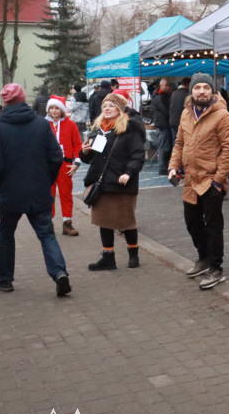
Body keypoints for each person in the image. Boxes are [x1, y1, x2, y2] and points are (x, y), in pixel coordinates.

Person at [0, 83, 71, 297]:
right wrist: (46, 180)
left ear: (5, 101)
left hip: (10, 192)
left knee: (6, 235)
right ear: (23, 99)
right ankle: (59, 273)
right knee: (47, 235)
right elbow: (56, 157)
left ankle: (4, 279)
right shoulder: (41, 124)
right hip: (39, 189)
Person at [168, 73, 229, 290]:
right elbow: (179, 143)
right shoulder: (186, 114)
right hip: (191, 180)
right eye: (198, 88)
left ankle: (216, 268)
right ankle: (203, 258)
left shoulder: (222, 115)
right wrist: (173, 166)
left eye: (206, 87)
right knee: (192, 223)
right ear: (192, 91)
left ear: (213, 91)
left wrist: (219, 180)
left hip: (211, 181)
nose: (202, 91)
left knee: (213, 227)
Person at [79, 91, 146, 270]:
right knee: (104, 221)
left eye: (111, 106)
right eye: (104, 106)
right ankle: (108, 257)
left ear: (119, 109)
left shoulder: (130, 128)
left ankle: (133, 254)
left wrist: (128, 173)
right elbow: (92, 158)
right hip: (101, 183)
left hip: (122, 182)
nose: (107, 108)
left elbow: (138, 155)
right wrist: (84, 152)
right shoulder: (98, 128)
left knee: (127, 221)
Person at [44, 95, 83, 237]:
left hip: (65, 164)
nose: (54, 111)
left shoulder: (71, 125)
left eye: (57, 108)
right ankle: (48, 222)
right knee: (48, 195)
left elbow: (77, 145)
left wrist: (76, 163)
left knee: (66, 194)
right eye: (51, 108)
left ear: (62, 110)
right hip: (48, 165)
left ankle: (67, 223)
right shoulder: (43, 125)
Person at [151, 78, 173, 174]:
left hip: (163, 124)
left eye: (168, 85)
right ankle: (162, 168)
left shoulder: (160, 96)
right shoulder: (160, 98)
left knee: (165, 147)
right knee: (164, 147)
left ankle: (164, 167)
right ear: (161, 86)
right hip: (163, 124)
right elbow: (166, 111)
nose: (167, 87)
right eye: (166, 85)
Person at [169, 76, 191, 142]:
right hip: (183, 122)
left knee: (176, 142)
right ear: (188, 84)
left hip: (173, 121)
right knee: (184, 142)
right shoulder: (187, 94)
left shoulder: (174, 93)